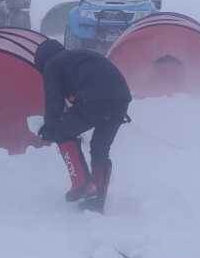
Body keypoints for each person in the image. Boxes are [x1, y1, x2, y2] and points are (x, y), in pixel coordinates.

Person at [34, 39, 132, 212]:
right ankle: (97, 199)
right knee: (99, 148)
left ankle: (82, 184)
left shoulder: (52, 65)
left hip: (94, 100)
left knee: (62, 133)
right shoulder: (79, 56)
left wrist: (50, 128)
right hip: (121, 98)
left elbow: (53, 102)